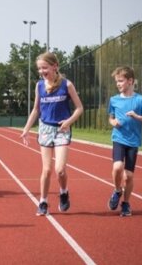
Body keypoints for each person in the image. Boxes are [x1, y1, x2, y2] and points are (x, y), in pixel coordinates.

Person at [20, 52, 83, 216]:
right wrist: (26, 129)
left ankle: (63, 192)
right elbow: (36, 109)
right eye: (39, 68)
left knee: (60, 169)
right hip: (45, 128)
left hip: (62, 129)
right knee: (47, 170)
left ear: (55, 66)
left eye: (45, 67)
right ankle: (43, 201)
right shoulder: (39, 86)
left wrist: (69, 121)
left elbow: (79, 108)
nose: (42, 71)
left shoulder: (67, 85)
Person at [107, 66, 142, 217]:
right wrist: (113, 122)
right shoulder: (113, 100)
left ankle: (126, 203)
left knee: (128, 176)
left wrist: (137, 116)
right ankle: (116, 190)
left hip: (133, 142)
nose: (118, 84)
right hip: (119, 138)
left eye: (120, 81)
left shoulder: (140, 100)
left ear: (130, 81)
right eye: (117, 82)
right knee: (117, 167)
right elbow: (110, 117)